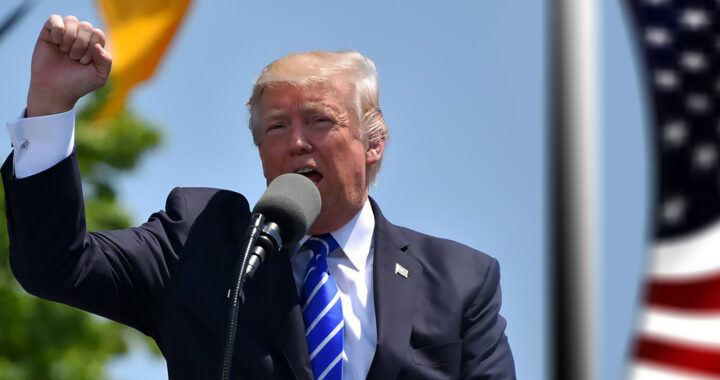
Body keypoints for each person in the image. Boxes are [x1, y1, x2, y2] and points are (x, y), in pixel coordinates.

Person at [3, 15, 516, 379]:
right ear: (260, 152)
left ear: (374, 143)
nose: (296, 142)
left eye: (320, 121)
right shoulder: (199, 240)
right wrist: (50, 106)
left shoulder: (459, 280)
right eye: (276, 127)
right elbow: (55, 265)